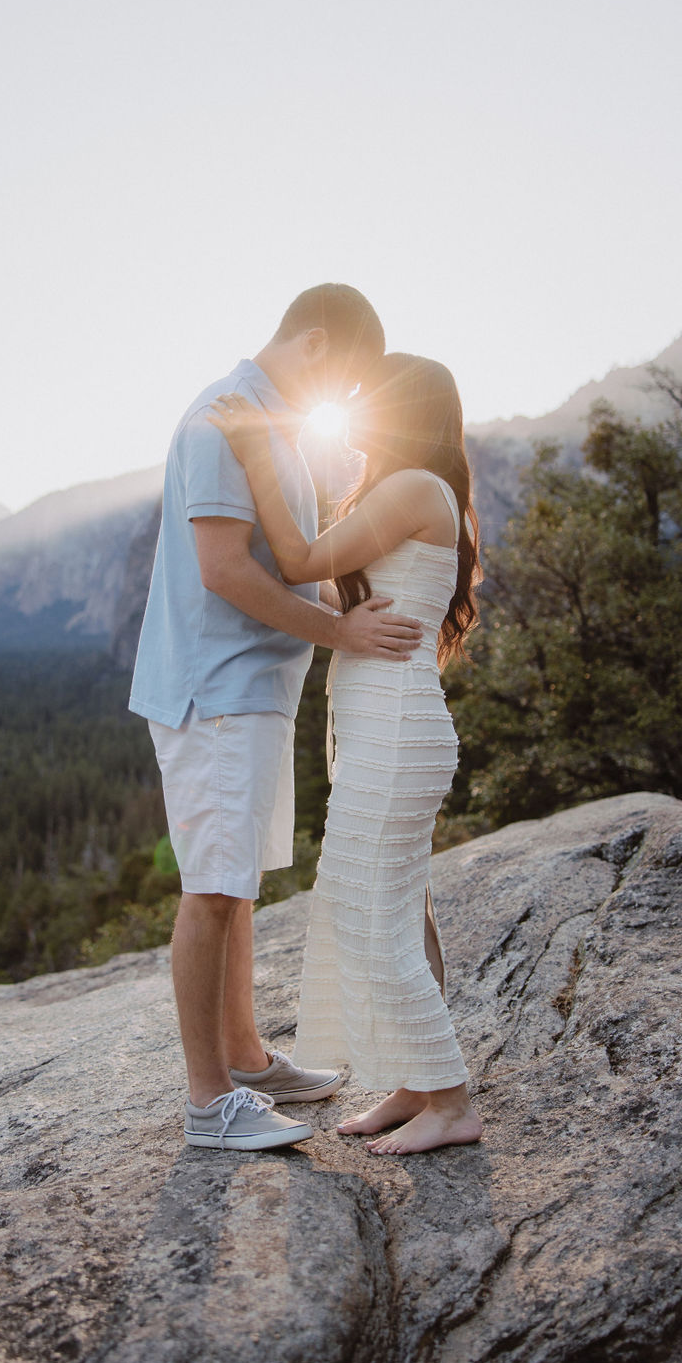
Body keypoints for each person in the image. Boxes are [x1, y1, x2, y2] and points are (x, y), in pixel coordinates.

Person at [129, 286, 426, 1152]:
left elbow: (291, 564)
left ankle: (247, 1060)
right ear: (318, 343)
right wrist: (341, 633)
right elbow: (223, 570)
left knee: (240, 883)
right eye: (348, 381)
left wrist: (364, 606)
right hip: (216, 692)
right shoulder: (219, 423)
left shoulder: (265, 425)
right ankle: (208, 1101)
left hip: (251, 692)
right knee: (213, 888)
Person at [207, 352, 484, 1154]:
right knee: (400, 909)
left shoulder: (410, 489)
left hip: (396, 731)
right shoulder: (417, 493)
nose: (357, 411)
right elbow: (336, 592)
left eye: (371, 399)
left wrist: (256, 447)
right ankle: (416, 1082)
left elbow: (299, 563)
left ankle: (454, 1100)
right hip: (387, 728)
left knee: (371, 916)